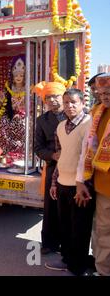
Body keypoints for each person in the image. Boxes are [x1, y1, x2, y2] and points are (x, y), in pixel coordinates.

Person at [45, 89, 93, 276]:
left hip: (80, 185)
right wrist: (54, 183)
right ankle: (66, 259)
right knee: (64, 225)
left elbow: (88, 157)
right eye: (66, 102)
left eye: (73, 102)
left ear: (82, 103)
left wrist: (83, 183)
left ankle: (78, 266)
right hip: (63, 182)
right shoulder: (60, 126)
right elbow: (61, 155)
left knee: (80, 228)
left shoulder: (89, 124)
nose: (69, 106)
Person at [76, 73, 110, 276]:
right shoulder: (97, 113)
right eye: (102, 92)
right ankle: (103, 271)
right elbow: (86, 150)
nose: (105, 95)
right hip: (103, 186)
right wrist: (81, 181)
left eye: (109, 92)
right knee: (102, 232)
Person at [33, 81, 66, 255]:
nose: (52, 100)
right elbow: (38, 148)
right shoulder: (42, 120)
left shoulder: (74, 116)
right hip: (53, 168)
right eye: (48, 97)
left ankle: (68, 245)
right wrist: (53, 155)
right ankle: (49, 243)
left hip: (73, 168)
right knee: (50, 207)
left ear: (64, 97)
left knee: (68, 207)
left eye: (55, 96)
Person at [0, 55, 27, 160]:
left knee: (22, 123)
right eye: (16, 74)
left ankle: (20, 152)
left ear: (25, 75)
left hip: (24, 118)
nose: (18, 77)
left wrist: (21, 111)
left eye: (21, 75)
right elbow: (1, 106)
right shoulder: (8, 88)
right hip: (10, 116)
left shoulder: (29, 89)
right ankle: (3, 151)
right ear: (12, 74)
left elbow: (33, 106)